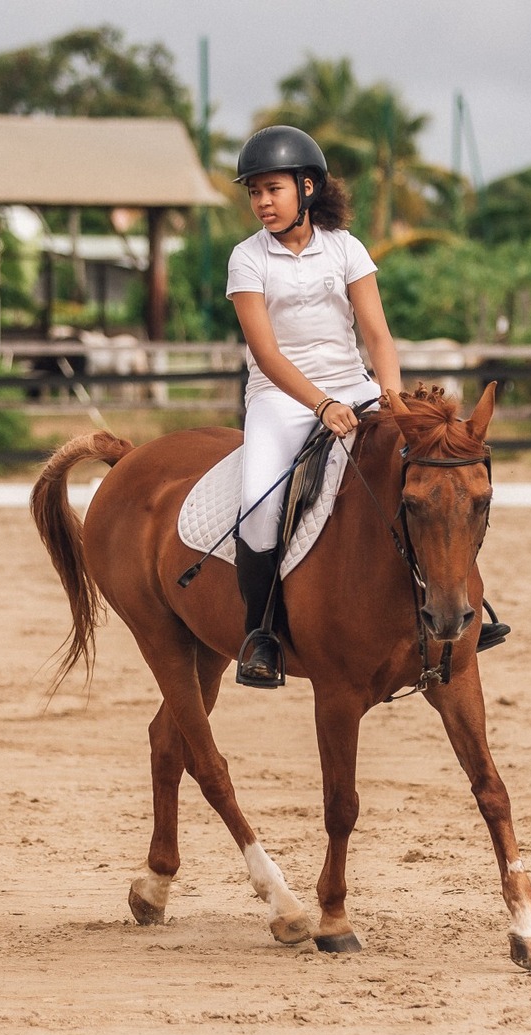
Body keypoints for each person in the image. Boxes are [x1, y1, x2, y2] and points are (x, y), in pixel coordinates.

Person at [225, 125, 402, 688]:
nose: (261, 203)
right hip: (280, 398)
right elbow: (266, 353)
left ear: (307, 187)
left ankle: (462, 605)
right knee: (258, 507)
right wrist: (321, 405)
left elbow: (377, 334)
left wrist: (392, 398)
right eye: (254, 193)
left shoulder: (346, 248)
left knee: (418, 471)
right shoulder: (247, 258)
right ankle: (262, 634)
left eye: (271, 189)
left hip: (354, 384)